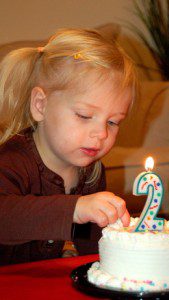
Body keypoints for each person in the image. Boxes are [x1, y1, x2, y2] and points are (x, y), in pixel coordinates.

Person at [0, 28, 136, 265]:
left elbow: (86, 242)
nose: (101, 133)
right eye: (84, 116)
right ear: (41, 105)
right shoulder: (12, 160)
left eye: (113, 122)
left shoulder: (91, 171)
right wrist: (75, 208)